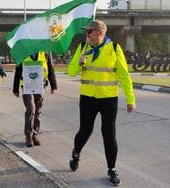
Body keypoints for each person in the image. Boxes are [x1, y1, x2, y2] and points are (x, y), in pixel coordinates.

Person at [68, 20, 136, 186]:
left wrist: (130, 99)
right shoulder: (83, 47)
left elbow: (124, 76)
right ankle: (76, 153)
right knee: (85, 131)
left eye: (89, 31)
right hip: (88, 98)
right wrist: (79, 63)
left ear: (100, 32)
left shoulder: (114, 49)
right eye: (87, 32)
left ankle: (111, 170)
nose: (87, 35)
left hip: (108, 99)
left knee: (109, 134)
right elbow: (70, 73)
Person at [13, 52, 57, 147]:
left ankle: (34, 135)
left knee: (37, 110)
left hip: (40, 86)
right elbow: (18, 71)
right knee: (31, 109)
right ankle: (28, 136)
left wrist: (53, 85)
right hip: (26, 86)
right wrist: (15, 88)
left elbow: (50, 69)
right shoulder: (23, 54)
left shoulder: (45, 54)